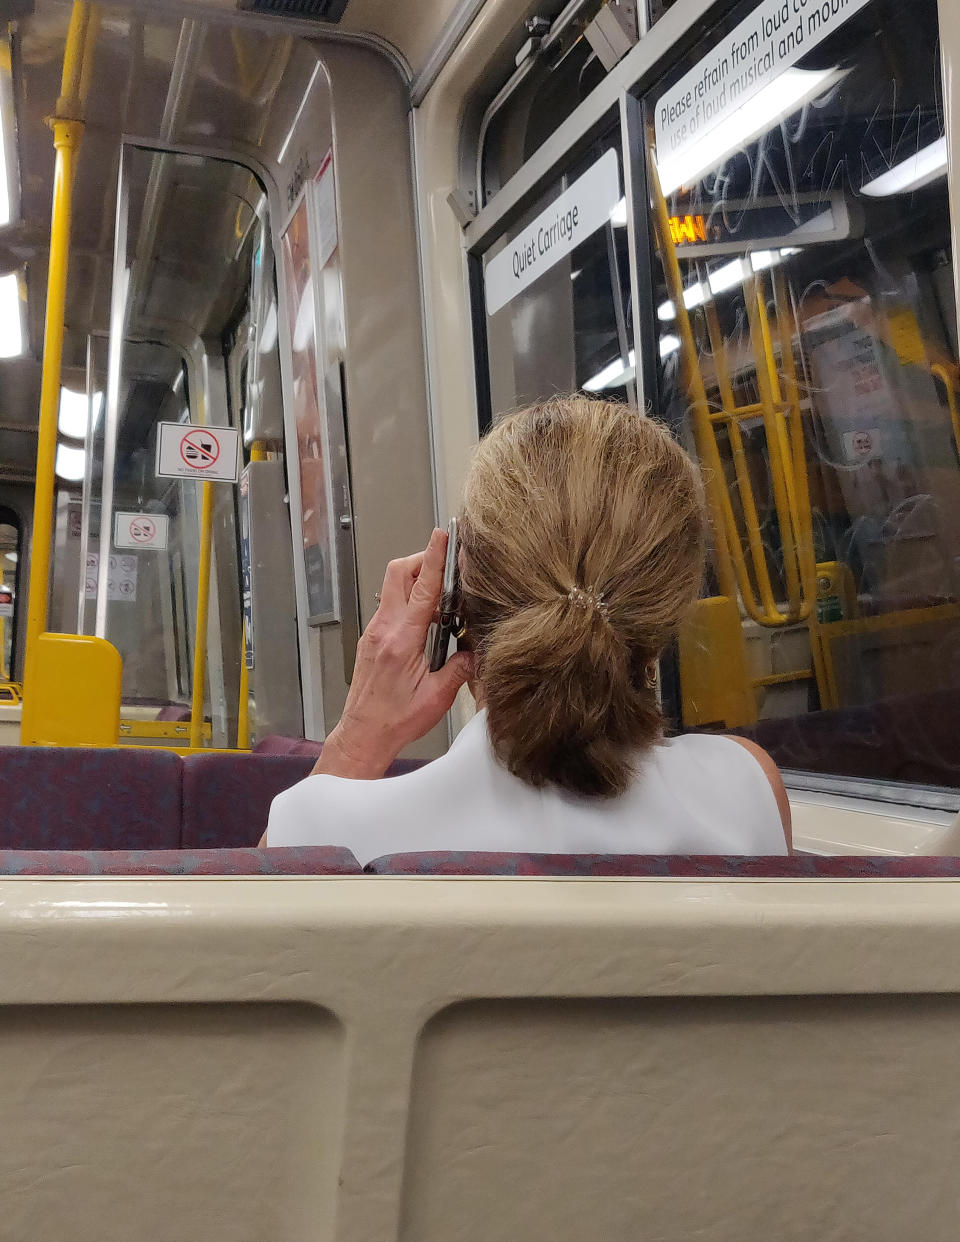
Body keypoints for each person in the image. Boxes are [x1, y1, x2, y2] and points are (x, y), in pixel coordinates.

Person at [265, 395, 791, 862]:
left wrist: (357, 740)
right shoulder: (747, 788)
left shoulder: (326, 832)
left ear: (454, 601)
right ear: (666, 611)